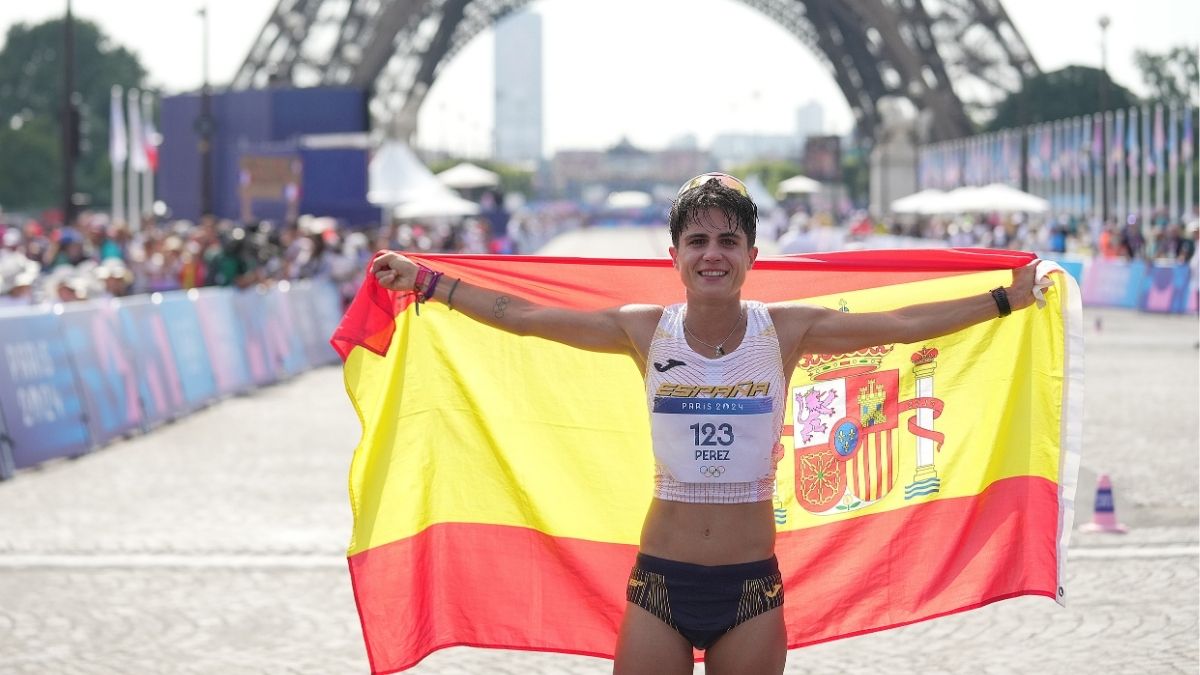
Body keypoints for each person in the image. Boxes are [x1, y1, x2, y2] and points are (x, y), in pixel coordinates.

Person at [371, 173, 1041, 675]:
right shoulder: (643, 329)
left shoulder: (785, 329)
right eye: (698, 240)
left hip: (751, 585)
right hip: (660, 581)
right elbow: (523, 317)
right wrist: (429, 282)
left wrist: (1003, 299)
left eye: (728, 240)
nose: (712, 253)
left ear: (753, 255)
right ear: (675, 255)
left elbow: (900, 327)